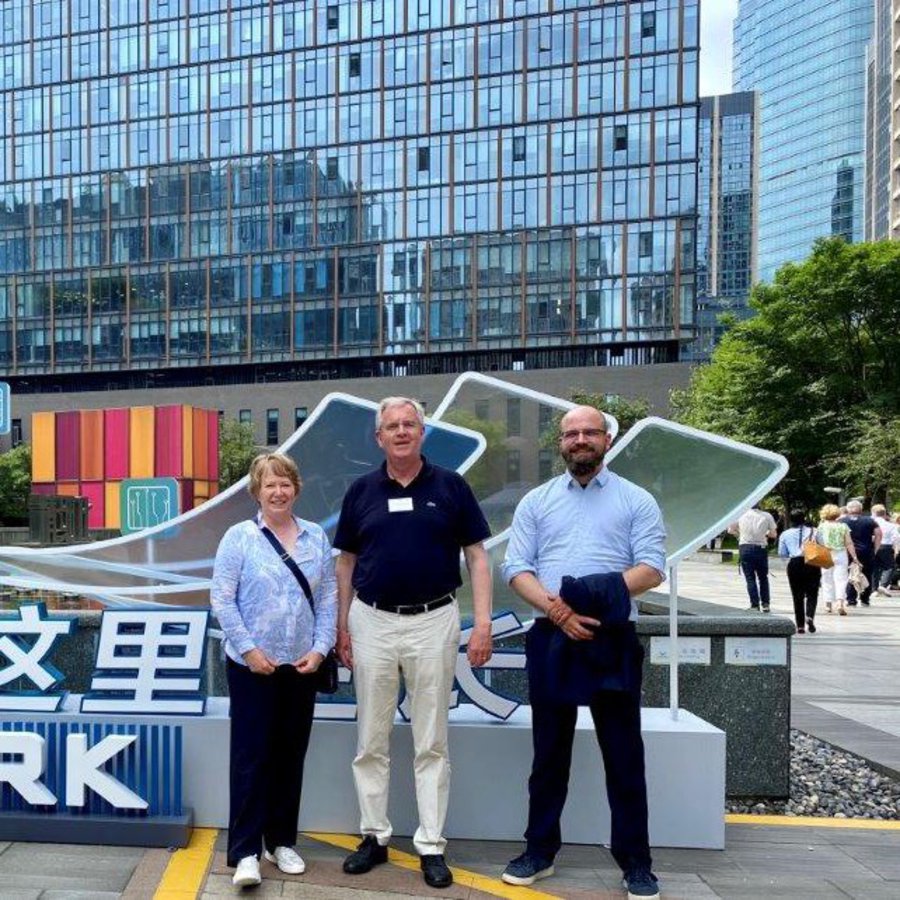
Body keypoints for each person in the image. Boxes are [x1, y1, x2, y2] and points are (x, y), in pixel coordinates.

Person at [500, 405, 666, 900]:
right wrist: (559, 612)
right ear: (561, 442)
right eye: (571, 433)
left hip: (612, 637)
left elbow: (652, 567)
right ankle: (540, 850)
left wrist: (593, 599)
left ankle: (636, 862)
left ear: (606, 439)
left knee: (623, 755)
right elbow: (516, 568)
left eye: (589, 432)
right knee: (549, 753)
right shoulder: (537, 500)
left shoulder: (636, 500)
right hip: (551, 637)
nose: (579, 440)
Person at [333, 396, 493, 890]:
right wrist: (341, 627)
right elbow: (345, 565)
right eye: (391, 426)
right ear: (378, 437)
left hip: (434, 620)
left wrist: (482, 622)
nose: (401, 432)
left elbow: (477, 558)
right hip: (372, 622)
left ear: (422, 433)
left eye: (410, 424)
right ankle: (375, 836)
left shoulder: (451, 487)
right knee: (371, 740)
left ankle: (431, 843)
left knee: (431, 741)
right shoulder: (361, 490)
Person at [211, 453, 337, 888]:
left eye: (285, 483)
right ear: (256, 492)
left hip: (301, 665)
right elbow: (222, 600)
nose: (278, 492)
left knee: (290, 754)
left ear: (297, 489)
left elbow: (328, 601)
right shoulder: (239, 537)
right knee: (251, 756)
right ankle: (246, 850)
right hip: (253, 667)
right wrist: (247, 650)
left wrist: (321, 650)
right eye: (269, 485)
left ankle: (281, 841)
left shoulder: (316, 537)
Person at [777, 509, 821, 634]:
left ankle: (800, 625)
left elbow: (782, 553)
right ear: (804, 518)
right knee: (812, 593)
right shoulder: (815, 531)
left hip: (795, 564)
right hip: (811, 562)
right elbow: (823, 546)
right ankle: (810, 616)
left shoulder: (785, 534)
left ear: (791, 520)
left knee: (797, 595)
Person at [727, 505, 777, 612]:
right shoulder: (767, 515)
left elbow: (730, 530)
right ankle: (766, 603)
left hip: (745, 547)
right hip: (761, 547)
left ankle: (754, 605)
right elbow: (773, 534)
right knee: (763, 577)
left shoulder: (740, 514)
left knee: (750, 578)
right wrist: (765, 534)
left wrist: (740, 534)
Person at [816, 504, 859, 616]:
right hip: (840, 554)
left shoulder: (821, 526)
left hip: (826, 554)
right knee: (841, 579)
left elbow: (818, 542)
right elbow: (849, 543)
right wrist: (854, 557)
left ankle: (828, 604)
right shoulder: (843, 526)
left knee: (826, 579)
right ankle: (840, 603)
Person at [839, 501, 881, 606]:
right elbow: (878, 534)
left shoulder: (841, 521)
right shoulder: (870, 521)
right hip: (866, 551)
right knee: (866, 574)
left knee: (850, 574)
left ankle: (851, 599)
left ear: (848, 509)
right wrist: (875, 549)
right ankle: (865, 599)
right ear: (861, 509)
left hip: (847, 552)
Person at [870, 505, 896, 596]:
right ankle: (883, 585)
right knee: (890, 567)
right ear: (884, 514)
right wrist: (895, 547)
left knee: (874, 568)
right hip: (886, 546)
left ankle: (874, 589)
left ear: (873, 513)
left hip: (872, 546)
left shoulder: (870, 523)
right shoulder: (891, 525)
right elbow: (896, 537)